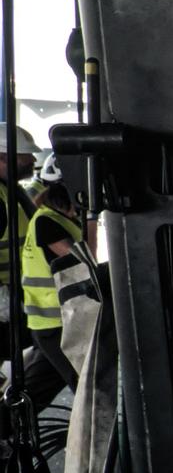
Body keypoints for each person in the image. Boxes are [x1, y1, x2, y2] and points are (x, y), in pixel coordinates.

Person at [0, 128, 72, 409]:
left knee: (50, 363)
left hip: (22, 299)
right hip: (9, 301)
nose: (32, 160)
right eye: (24, 156)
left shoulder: (12, 191)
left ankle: (9, 428)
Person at [19, 156, 94, 390]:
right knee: (85, 387)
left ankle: (9, 425)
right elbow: (85, 259)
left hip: (60, 323)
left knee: (36, 391)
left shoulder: (58, 218)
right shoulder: (47, 223)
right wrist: (91, 216)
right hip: (55, 325)